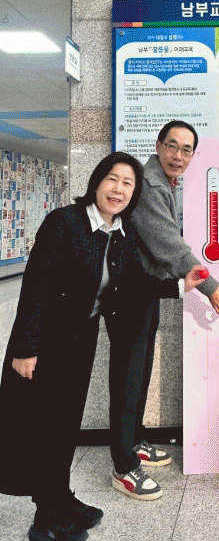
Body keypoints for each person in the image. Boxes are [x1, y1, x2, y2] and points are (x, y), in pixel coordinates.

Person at [0, 151, 204, 541]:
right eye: (113, 179)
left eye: (128, 183)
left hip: (81, 341)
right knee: (45, 428)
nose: (118, 189)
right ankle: (46, 520)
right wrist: (26, 347)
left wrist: (181, 285)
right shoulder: (65, 222)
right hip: (45, 344)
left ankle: (61, 497)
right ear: (97, 182)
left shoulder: (120, 232)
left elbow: (134, 285)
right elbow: (36, 287)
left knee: (65, 425)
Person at [125, 120, 219, 481]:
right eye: (172, 146)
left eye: (186, 150)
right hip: (130, 294)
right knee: (129, 375)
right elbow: (169, 244)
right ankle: (124, 461)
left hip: (145, 289)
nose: (178, 156)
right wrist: (210, 285)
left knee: (139, 372)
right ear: (158, 146)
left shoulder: (163, 182)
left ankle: (134, 440)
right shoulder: (150, 185)